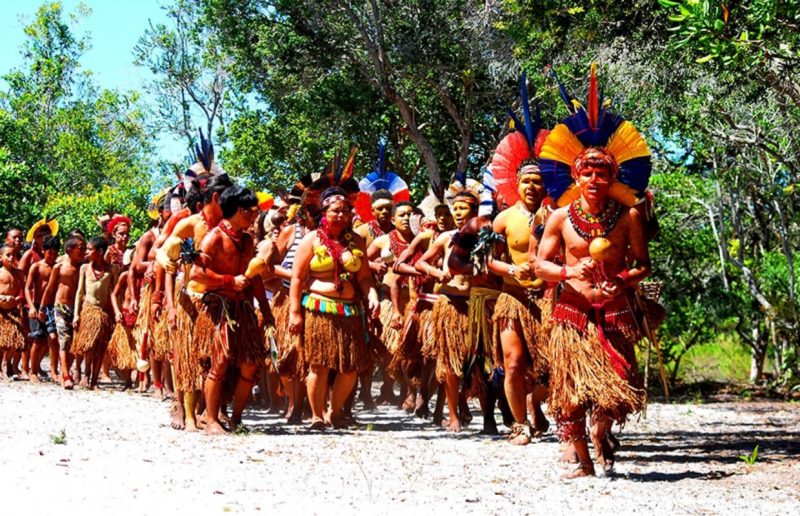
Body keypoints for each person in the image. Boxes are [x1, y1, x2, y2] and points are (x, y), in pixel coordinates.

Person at [535, 64, 653, 478]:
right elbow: (540, 264)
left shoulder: (629, 217)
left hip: (616, 310)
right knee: (570, 391)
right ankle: (583, 462)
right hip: (571, 311)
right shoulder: (560, 218)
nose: (594, 179)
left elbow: (642, 265)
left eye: (602, 172)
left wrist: (620, 281)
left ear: (612, 176)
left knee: (613, 393)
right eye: (587, 172)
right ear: (575, 174)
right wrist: (569, 273)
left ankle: (602, 434)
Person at [485, 84, 552, 444]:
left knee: (551, 368)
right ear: (516, 182)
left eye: (538, 181)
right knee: (513, 364)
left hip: (548, 301)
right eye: (526, 180)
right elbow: (489, 265)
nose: (532, 186)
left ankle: (535, 404)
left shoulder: (556, 216)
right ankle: (520, 423)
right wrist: (512, 270)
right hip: (512, 300)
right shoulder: (502, 220)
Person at [288, 186, 379, 430]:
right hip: (319, 309)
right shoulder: (312, 239)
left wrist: (372, 296)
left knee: (350, 366)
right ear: (324, 212)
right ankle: (317, 415)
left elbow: (364, 278)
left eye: (346, 211)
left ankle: (334, 412)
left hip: (349, 311)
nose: (341, 215)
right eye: (335, 211)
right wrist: (294, 312)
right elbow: (297, 278)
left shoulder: (356, 240)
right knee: (319, 363)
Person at [188, 185, 271, 434]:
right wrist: (228, 281)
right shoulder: (214, 237)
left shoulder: (246, 240)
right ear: (238, 210)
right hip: (218, 309)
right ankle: (211, 419)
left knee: (250, 365)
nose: (254, 215)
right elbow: (197, 273)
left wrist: (266, 311)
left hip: (241, 309)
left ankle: (236, 418)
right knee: (220, 364)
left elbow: (254, 278)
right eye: (251, 211)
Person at [161, 173, 232, 430]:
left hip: (219, 299)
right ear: (215, 197)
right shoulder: (189, 224)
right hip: (190, 299)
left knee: (217, 357)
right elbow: (167, 265)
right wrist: (169, 305)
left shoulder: (229, 224)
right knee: (187, 355)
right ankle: (184, 410)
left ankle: (212, 410)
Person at [415, 178, 484, 433]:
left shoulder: (483, 237)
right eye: (454, 208)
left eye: (462, 209)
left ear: (474, 211)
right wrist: (435, 271)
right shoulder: (445, 238)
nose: (456, 213)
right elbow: (421, 263)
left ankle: (479, 412)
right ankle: (453, 415)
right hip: (449, 304)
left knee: (476, 362)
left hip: (476, 304)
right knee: (451, 362)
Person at [366, 200, 415, 408]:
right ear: (393, 220)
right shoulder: (382, 241)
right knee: (390, 349)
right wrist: (377, 265)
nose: (406, 218)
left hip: (413, 300)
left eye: (410, 214)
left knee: (411, 349)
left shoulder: (420, 240)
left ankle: (407, 391)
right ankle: (387, 388)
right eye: (402, 215)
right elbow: (361, 262)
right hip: (389, 301)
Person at [71, 237, 119, 389]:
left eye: (90, 249)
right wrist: (76, 314)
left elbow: (115, 293)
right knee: (88, 346)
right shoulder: (84, 268)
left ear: (100, 252)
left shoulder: (111, 270)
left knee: (100, 347)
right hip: (88, 310)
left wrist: (117, 312)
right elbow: (79, 292)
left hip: (103, 313)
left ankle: (94, 381)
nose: (86, 252)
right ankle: (85, 374)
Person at [41, 235, 85, 389]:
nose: (84, 251)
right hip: (60, 307)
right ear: (70, 250)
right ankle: (65, 374)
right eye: (81, 249)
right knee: (64, 341)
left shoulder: (83, 267)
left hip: (77, 309)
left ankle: (64, 370)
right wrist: (42, 308)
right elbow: (50, 288)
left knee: (75, 343)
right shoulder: (59, 267)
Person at [25, 236, 61, 382]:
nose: (52, 256)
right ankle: (32, 371)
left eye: (55, 253)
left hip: (52, 307)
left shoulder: (57, 267)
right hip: (38, 306)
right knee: (38, 339)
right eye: (49, 253)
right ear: (43, 251)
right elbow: (27, 288)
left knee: (53, 339)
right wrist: (32, 307)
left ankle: (54, 371)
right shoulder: (37, 266)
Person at [0, 244, 25, 371]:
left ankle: (7, 364)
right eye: (8, 255)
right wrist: (3, 298)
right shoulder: (0, 273)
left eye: (13, 255)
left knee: (14, 341)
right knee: (1, 343)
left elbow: (23, 290)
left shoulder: (18, 274)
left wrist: (19, 299)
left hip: (13, 311)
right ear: (0, 258)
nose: (11, 258)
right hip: (1, 311)